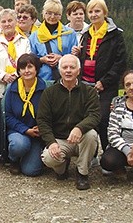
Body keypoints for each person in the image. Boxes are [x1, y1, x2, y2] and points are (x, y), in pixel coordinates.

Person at [73, 0, 127, 158]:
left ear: (105, 13)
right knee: (86, 119)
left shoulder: (115, 35)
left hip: (106, 86)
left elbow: (120, 62)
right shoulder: (86, 33)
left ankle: (109, 154)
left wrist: (105, 81)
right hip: (85, 84)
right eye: (91, 11)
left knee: (104, 119)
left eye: (97, 11)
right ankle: (92, 155)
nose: (94, 14)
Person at [37, 54, 100, 190]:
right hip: (59, 139)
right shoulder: (49, 93)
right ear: (60, 71)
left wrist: (80, 128)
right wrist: (51, 142)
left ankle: (82, 173)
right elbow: (42, 120)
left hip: (80, 138)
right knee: (48, 158)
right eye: (64, 67)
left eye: (72, 67)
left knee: (92, 135)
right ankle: (61, 168)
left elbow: (95, 115)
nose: (68, 70)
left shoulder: (89, 92)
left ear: (78, 70)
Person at [0, 8, 30, 165]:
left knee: (13, 119)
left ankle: (11, 153)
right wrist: (2, 75)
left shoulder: (24, 40)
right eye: (3, 21)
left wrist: (17, 76)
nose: (7, 24)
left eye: (10, 20)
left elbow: (27, 60)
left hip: (18, 86)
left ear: (16, 22)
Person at [3, 54, 46, 176]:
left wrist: (40, 128)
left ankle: (30, 155)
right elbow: (8, 116)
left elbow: (49, 114)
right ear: (19, 71)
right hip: (17, 131)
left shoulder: (44, 88)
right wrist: (25, 130)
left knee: (31, 171)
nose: (26, 71)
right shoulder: (11, 89)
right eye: (22, 68)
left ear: (36, 69)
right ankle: (14, 159)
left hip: (37, 134)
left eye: (30, 67)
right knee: (20, 145)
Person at [29, 0, 77, 85]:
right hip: (42, 79)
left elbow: (74, 58)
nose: (52, 17)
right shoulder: (34, 36)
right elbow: (30, 59)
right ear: (43, 13)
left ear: (61, 15)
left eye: (56, 14)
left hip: (64, 79)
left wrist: (61, 58)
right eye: (49, 13)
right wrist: (42, 60)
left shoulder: (69, 34)